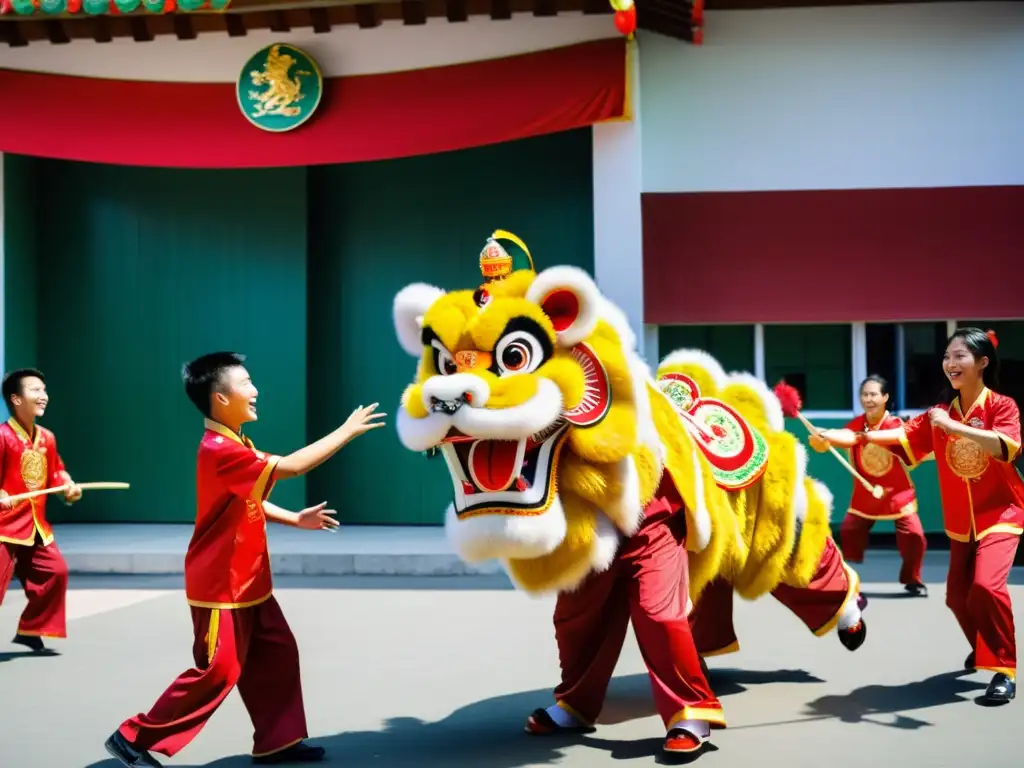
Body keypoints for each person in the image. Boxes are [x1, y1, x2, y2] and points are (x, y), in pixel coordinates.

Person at [104, 352, 386, 766]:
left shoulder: (236, 443)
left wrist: (295, 518)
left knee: (278, 652)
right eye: (246, 383)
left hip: (249, 580)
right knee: (218, 672)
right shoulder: (220, 449)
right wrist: (345, 431)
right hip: (221, 585)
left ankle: (278, 741)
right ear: (220, 398)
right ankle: (133, 737)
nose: (255, 391)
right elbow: (290, 467)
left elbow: (247, 499)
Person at [860, 328, 1023, 704]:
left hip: (1001, 511)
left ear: (983, 363)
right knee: (956, 597)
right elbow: (900, 434)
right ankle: (984, 647)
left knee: (986, 587)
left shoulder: (1001, 406)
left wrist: (953, 427)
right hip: (961, 521)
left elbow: (1005, 448)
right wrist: (854, 437)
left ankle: (1003, 668)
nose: (951, 363)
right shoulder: (940, 413)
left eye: (960, 355)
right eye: (948, 356)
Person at [809, 375, 928, 597]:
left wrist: (861, 436)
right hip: (867, 493)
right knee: (848, 532)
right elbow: (848, 435)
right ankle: (842, 577)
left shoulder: (894, 425)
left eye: (874, 394)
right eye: (865, 394)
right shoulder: (859, 423)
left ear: (885, 397)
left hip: (897, 494)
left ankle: (913, 579)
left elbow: (865, 438)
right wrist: (826, 435)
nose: (869, 399)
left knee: (914, 536)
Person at [0, 367, 82, 653]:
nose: (43, 396)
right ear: (16, 399)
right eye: (35, 390)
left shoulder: (47, 437)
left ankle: (32, 629)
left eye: (44, 390)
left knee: (55, 573)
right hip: (4, 527)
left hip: (34, 526)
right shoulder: (2, 437)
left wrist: (67, 486)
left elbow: (56, 474)